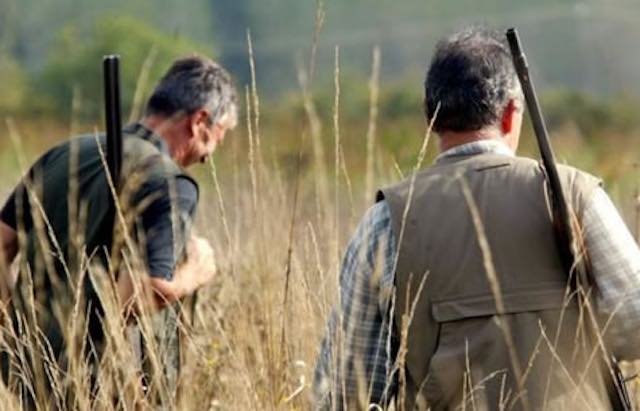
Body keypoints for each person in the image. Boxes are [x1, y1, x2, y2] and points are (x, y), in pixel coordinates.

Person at [313, 27, 640, 410]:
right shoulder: (574, 196)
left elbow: (345, 387)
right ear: (511, 113)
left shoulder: (386, 221)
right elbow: (635, 323)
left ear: (430, 117)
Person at [0, 55, 237, 404]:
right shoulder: (171, 183)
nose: (210, 155)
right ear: (200, 121)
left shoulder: (66, 153)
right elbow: (136, 296)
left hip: (31, 377)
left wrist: (15, 332)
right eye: (220, 135)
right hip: (105, 387)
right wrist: (194, 274)